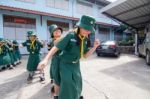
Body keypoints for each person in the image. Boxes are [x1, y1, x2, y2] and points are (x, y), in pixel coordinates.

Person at [38, 15, 100, 99]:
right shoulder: (70, 36)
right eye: (86, 29)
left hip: (76, 65)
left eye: (90, 30)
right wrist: (46, 59)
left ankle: (76, 96)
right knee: (68, 84)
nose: (88, 32)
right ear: (80, 27)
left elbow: (85, 55)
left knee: (78, 83)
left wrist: (94, 47)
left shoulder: (85, 39)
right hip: (65, 64)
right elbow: (56, 47)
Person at [47, 24, 63, 96]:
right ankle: (56, 91)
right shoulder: (52, 41)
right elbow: (50, 51)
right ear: (52, 33)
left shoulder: (64, 39)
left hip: (64, 59)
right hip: (56, 60)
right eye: (55, 31)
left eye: (58, 30)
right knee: (56, 74)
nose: (57, 32)